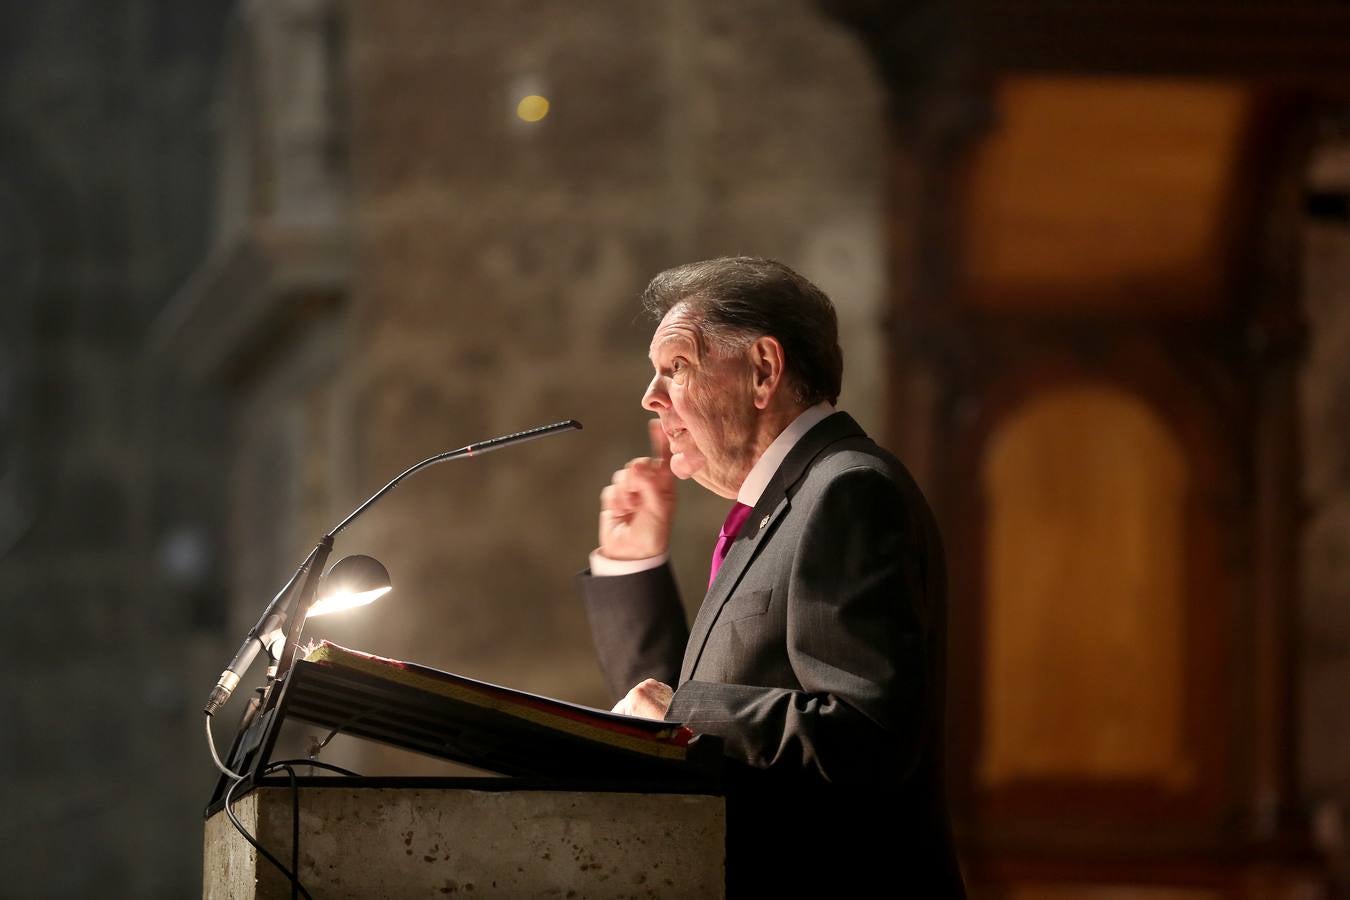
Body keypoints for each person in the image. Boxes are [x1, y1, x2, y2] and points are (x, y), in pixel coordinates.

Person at [578, 257, 964, 896]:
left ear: (763, 370)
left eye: (676, 367)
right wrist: (633, 566)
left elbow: (865, 738)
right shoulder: (790, 501)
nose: (651, 397)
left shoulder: (847, 491)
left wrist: (688, 709)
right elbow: (678, 730)